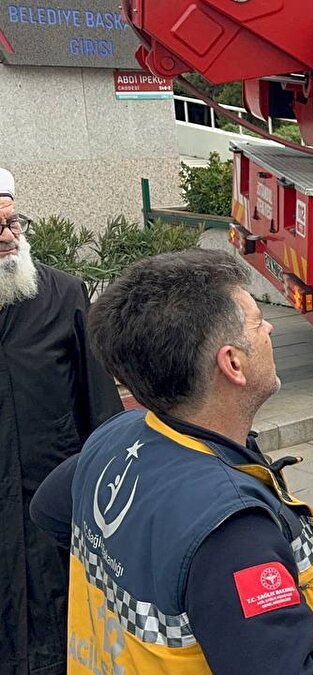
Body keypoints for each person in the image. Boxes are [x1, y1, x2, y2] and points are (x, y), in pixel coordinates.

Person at [28, 249, 313, 675]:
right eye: (259, 321)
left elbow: (47, 509)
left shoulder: (115, 436)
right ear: (232, 363)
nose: (272, 330)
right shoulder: (232, 530)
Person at [0, 167, 124, 675]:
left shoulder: (63, 294)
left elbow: (100, 409)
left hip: (52, 509)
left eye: (14, 224)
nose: (10, 239)